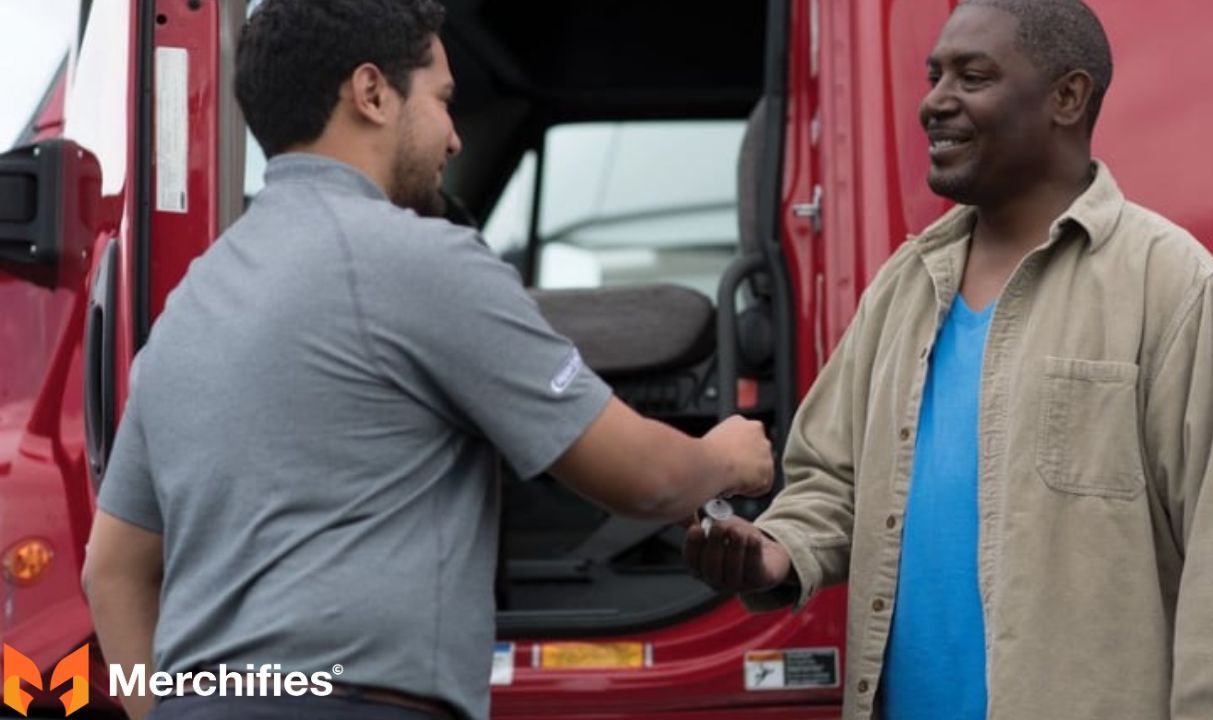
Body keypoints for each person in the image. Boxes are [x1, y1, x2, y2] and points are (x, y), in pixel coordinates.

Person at [80, 2, 774, 719]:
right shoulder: (421, 262)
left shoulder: (191, 305)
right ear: (373, 93)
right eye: (443, 101)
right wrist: (729, 457)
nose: (452, 136)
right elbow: (651, 481)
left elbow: (112, 571)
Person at [684, 1, 1213, 718]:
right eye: (934, 75)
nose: (935, 102)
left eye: (973, 76)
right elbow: (832, 480)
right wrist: (777, 549)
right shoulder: (903, 287)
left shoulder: (1175, 288)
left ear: (1067, 96)